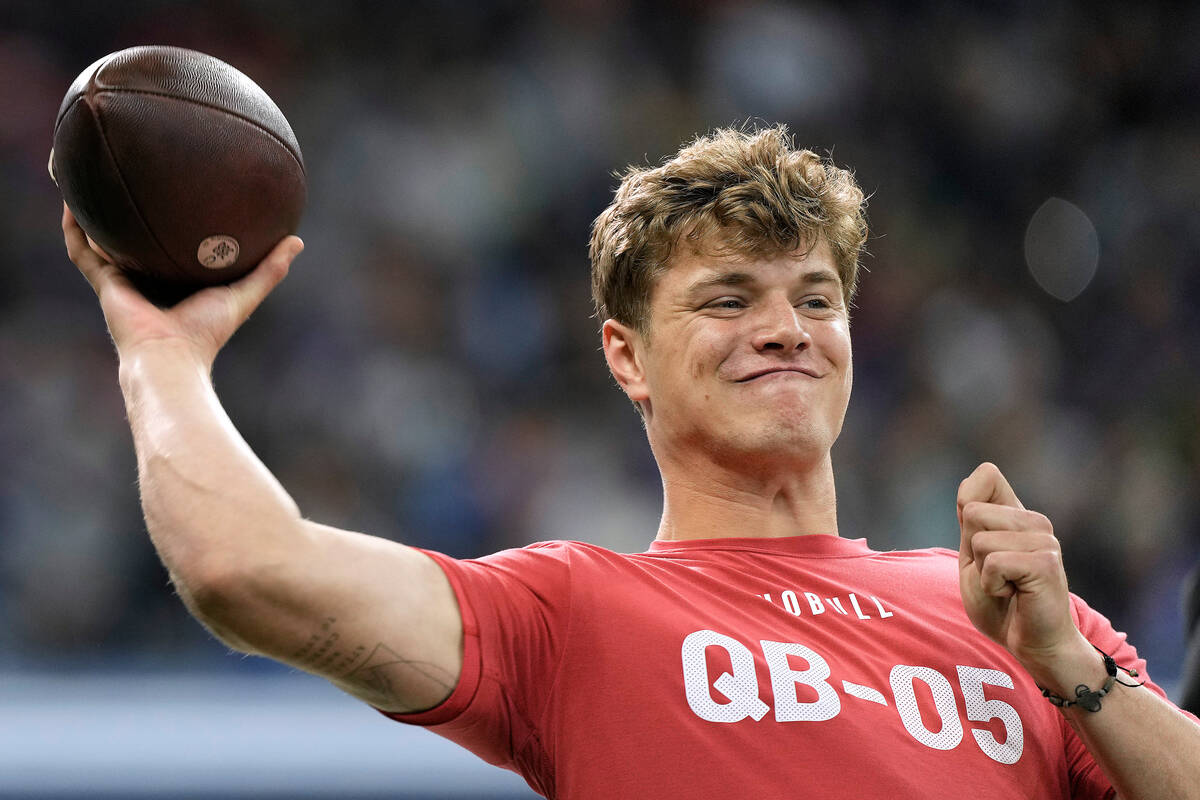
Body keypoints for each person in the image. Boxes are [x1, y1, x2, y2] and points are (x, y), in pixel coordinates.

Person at [63, 124, 1199, 799]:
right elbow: (243, 566)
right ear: (627, 356)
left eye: (816, 297)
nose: (787, 327)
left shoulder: (1016, 621)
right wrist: (160, 355)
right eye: (728, 298)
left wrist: (1071, 667)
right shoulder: (569, 612)